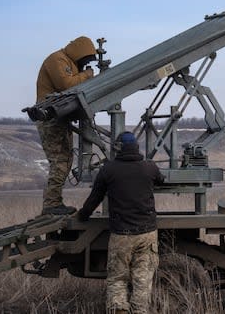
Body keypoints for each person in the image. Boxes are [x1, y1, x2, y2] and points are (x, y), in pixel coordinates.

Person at [77, 131, 164, 314]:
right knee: (142, 281)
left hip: (121, 235)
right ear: (136, 147)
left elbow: (94, 199)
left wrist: (82, 216)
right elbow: (161, 180)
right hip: (147, 234)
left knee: (117, 279)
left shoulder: (108, 170)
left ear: (117, 149)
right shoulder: (149, 167)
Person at [36, 36, 97, 215]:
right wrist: (87, 75)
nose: (84, 64)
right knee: (60, 162)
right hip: (50, 119)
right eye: (84, 60)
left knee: (66, 160)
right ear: (78, 53)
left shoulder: (67, 62)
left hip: (59, 118)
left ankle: (54, 202)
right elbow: (66, 85)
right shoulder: (57, 59)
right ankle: (51, 205)